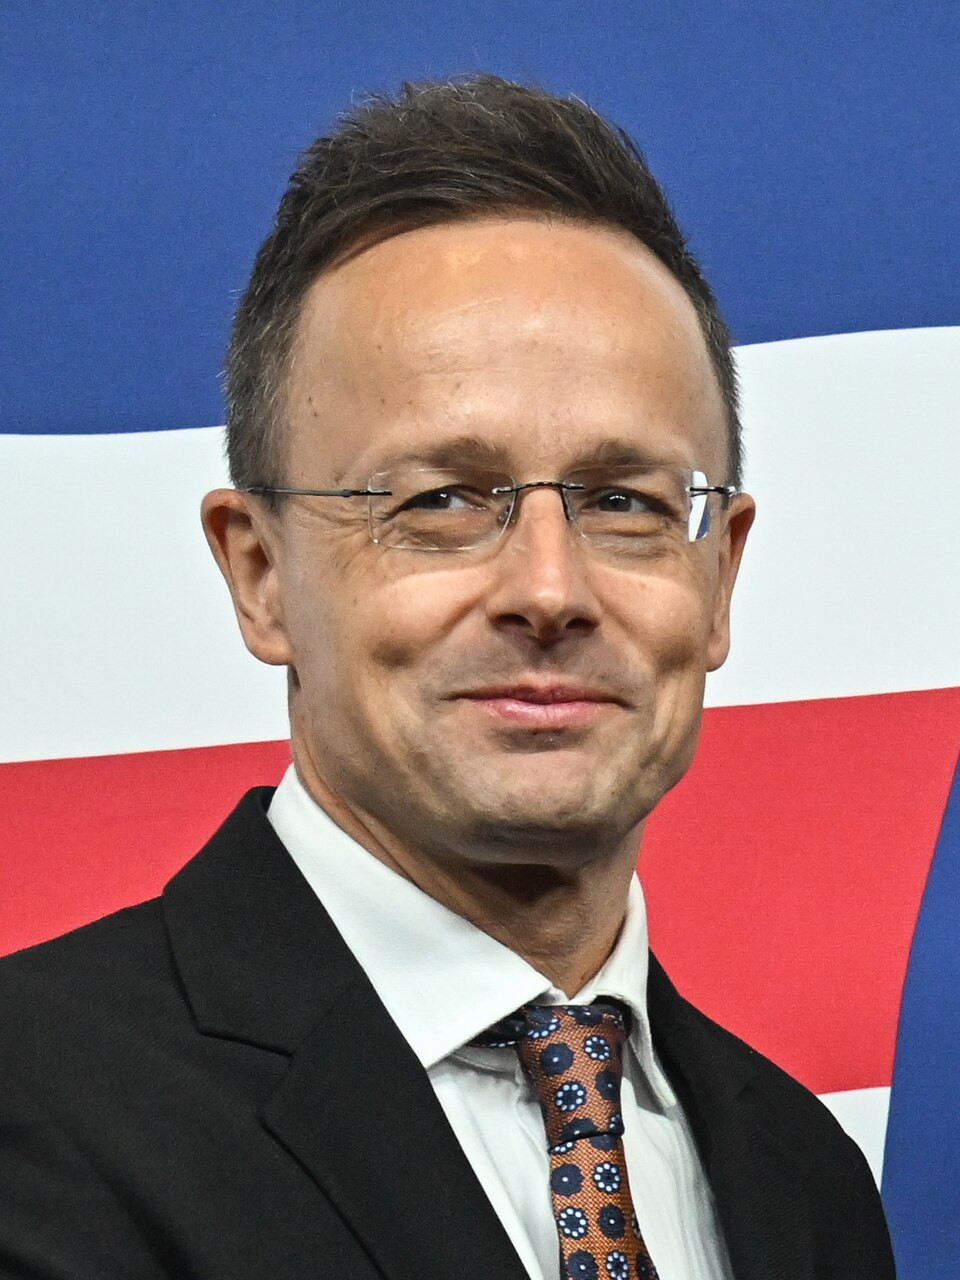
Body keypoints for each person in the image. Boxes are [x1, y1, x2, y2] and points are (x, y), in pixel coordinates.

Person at [0, 76, 894, 1280]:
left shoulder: (807, 1177)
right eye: (441, 500)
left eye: (623, 501)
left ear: (719, 574)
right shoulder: (32, 1108)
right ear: (260, 575)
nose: (550, 586)